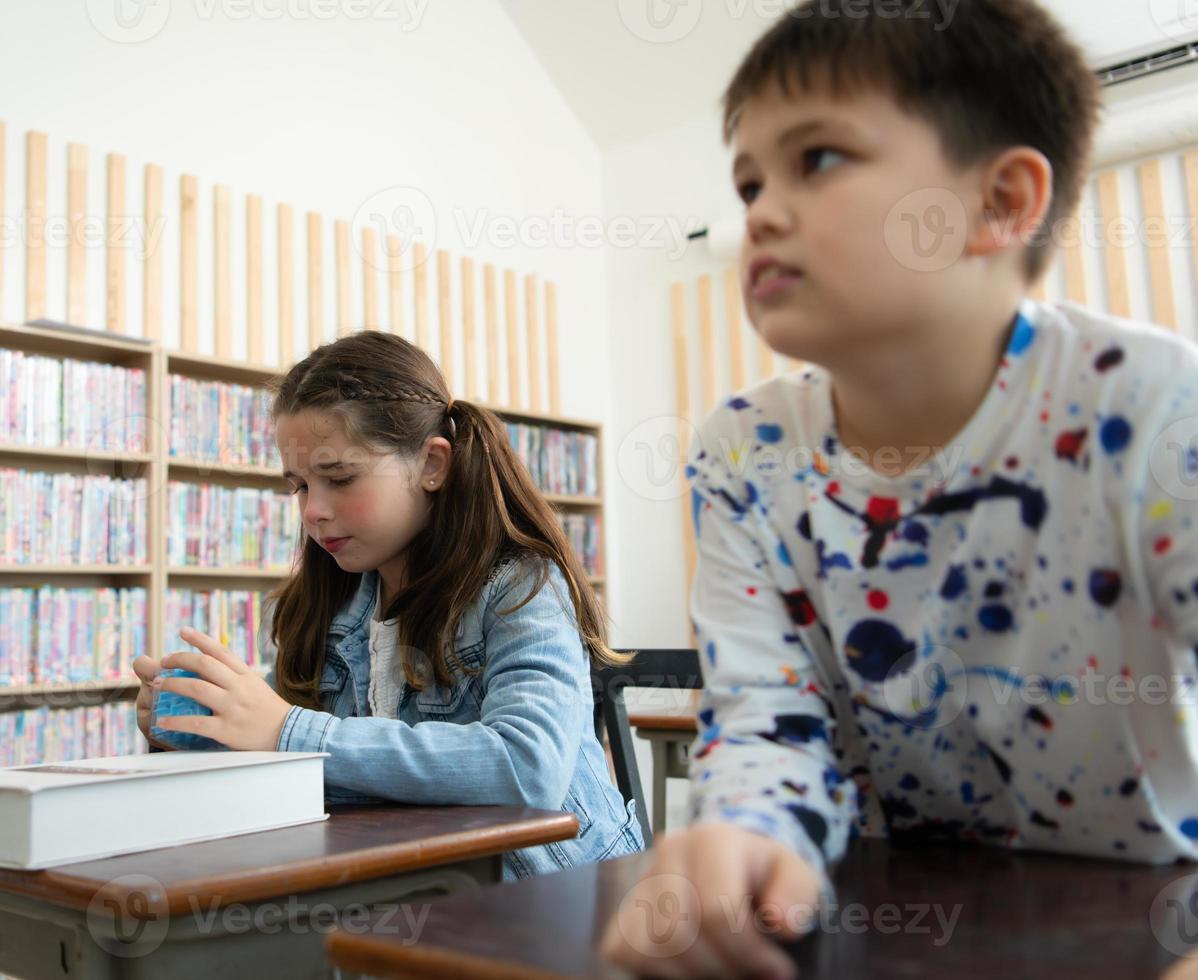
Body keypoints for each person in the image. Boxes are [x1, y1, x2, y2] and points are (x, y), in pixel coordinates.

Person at [604, 1, 1198, 976]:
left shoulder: (1147, 403)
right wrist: (744, 838)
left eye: (819, 159)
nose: (758, 209)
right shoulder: (741, 451)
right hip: (898, 928)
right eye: (748, 179)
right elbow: (765, 717)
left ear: (1001, 200)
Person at [133, 330, 644, 878]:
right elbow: (309, 768)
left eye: (339, 477)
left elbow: (527, 769)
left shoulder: (522, 585)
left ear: (432, 464)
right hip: (415, 893)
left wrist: (286, 731)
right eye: (300, 486)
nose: (312, 511)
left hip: (562, 900)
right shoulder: (330, 604)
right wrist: (204, 730)